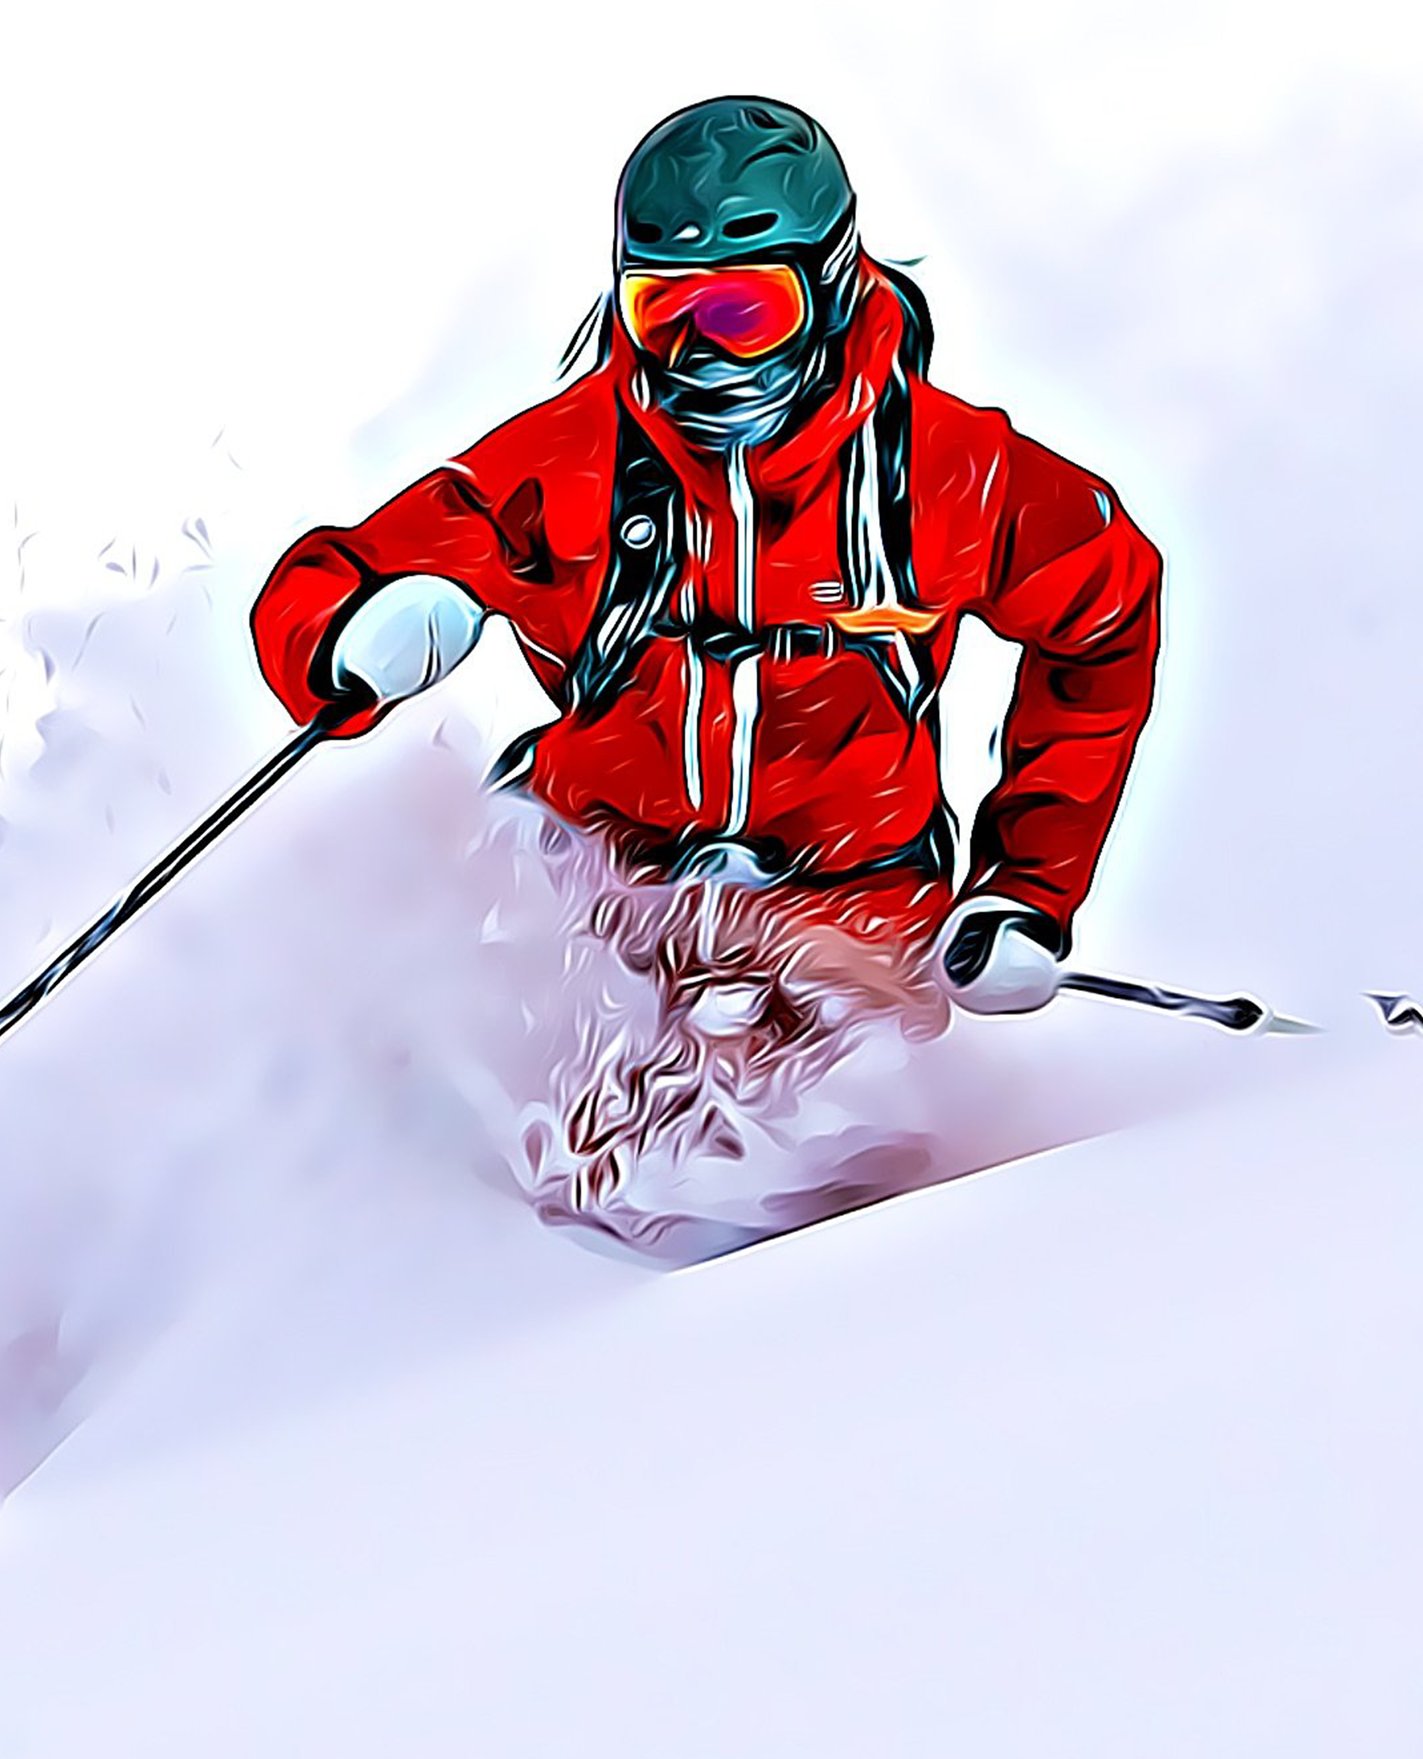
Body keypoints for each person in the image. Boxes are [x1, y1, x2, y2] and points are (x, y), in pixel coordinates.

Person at [250, 96, 1162, 1253]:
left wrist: (1026, 887)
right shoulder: (578, 461)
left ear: (827, 287)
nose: (701, 353)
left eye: (744, 310)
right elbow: (337, 574)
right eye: (663, 311)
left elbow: (1105, 608)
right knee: (528, 1167)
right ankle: (426, 1300)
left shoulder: (939, 475)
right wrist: (357, 627)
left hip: (845, 914)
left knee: (822, 1185)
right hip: (596, 897)